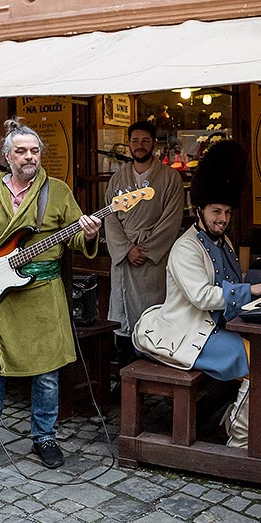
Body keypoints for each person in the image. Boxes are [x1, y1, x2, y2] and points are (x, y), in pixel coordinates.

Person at [0, 118, 102, 469]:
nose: (29, 157)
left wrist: (90, 234)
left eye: (34, 151)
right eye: (21, 151)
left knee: (46, 374)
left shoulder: (58, 191)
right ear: (7, 155)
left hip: (42, 293)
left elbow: (76, 238)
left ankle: (44, 437)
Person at [133, 140, 261, 449]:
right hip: (189, 330)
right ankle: (240, 440)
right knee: (255, 363)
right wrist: (251, 289)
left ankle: (233, 421)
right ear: (199, 210)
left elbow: (235, 279)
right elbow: (203, 296)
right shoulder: (185, 247)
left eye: (228, 212)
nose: (223, 218)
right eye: (216, 211)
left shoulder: (222, 242)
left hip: (217, 327)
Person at [104, 121, 184, 373]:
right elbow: (109, 217)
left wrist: (146, 251)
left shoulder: (170, 178)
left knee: (153, 315)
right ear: (129, 144)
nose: (140, 146)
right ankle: (124, 376)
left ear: (154, 144)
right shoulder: (118, 178)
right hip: (124, 258)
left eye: (145, 141)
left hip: (152, 261)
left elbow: (172, 219)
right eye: (135, 141)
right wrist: (126, 249)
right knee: (122, 316)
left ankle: (152, 373)